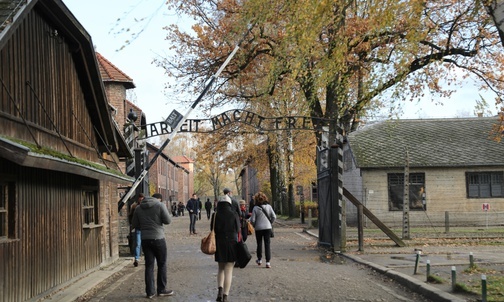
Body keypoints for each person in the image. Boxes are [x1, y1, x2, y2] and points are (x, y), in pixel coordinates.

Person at [131, 193, 173, 298]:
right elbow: (168, 221)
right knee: (162, 264)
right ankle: (161, 289)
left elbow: (134, 224)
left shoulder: (138, 208)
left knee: (149, 265)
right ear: (157, 198)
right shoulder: (160, 205)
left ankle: (150, 292)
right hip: (158, 238)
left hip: (145, 239)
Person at [211, 195, 239, 302]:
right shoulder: (234, 214)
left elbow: (212, 229)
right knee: (229, 270)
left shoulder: (215, 215)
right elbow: (237, 228)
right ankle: (226, 295)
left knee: (220, 268)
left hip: (219, 243)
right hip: (232, 243)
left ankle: (219, 290)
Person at [250, 191, 276, 269]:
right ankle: (268, 262)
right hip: (267, 228)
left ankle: (259, 259)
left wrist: (254, 225)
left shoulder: (255, 208)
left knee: (259, 244)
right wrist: (270, 223)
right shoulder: (269, 206)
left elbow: (253, 220)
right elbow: (274, 216)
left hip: (258, 228)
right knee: (267, 244)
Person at [129, 193, 145, 267]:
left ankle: (146, 257)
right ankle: (137, 259)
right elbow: (131, 216)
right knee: (138, 244)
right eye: (140, 197)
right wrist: (132, 224)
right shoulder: (135, 206)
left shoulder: (146, 207)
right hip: (138, 227)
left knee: (144, 244)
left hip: (145, 228)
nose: (141, 199)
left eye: (142, 198)